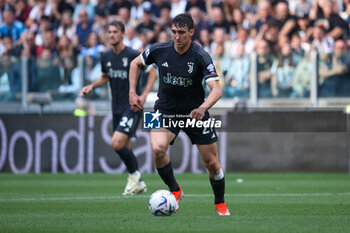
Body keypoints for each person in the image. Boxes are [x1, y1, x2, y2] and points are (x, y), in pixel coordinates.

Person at [129, 13, 230, 216]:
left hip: (195, 113)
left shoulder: (200, 55)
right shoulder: (159, 50)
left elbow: (216, 90)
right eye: (174, 32)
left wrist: (203, 108)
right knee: (157, 149)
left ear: (191, 32)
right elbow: (135, 64)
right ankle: (175, 190)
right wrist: (133, 92)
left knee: (212, 163)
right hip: (163, 109)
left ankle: (220, 202)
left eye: (181, 33)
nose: (177, 36)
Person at [80, 21, 157, 195]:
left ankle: (134, 175)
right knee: (125, 145)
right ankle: (138, 183)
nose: (112, 35)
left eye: (115, 31)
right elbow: (106, 77)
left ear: (123, 34)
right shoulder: (106, 56)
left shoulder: (132, 55)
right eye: (109, 32)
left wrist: (143, 96)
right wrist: (91, 86)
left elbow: (153, 73)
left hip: (132, 106)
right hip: (116, 107)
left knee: (116, 143)